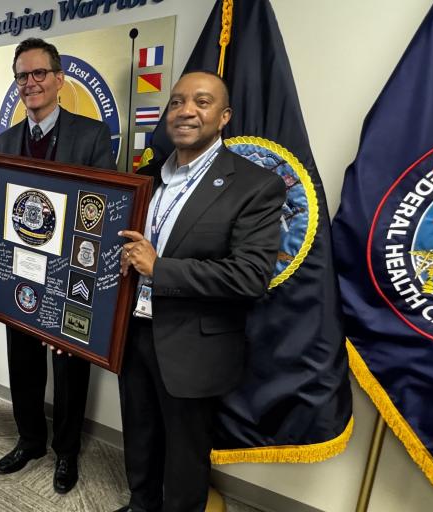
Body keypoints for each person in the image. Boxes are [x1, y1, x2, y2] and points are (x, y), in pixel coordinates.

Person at [114, 71, 285, 512]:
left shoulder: (254, 185)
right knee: (139, 432)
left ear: (224, 116)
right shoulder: (146, 177)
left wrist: (160, 268)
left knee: (185, 456)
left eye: (202, 102)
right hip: (134, 333)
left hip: (193, 344)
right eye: (176, 102)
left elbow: (250, 276)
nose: (186, 110)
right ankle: (140, 505)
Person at [0, 37, 115, 495]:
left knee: (69, 369)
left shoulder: (91, 135)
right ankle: (31, 440)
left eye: (39, 73)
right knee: (21, 360)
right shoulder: (4, 140)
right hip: (19, 273)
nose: (30, 83)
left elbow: (103, 209)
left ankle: (66, 451)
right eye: (22, 76)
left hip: (69, 278)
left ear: (59, 79)